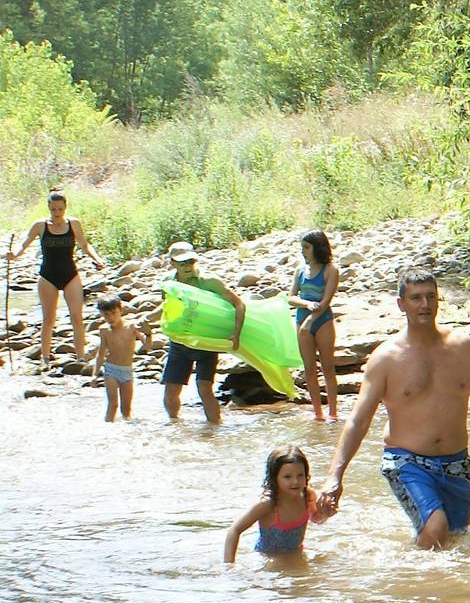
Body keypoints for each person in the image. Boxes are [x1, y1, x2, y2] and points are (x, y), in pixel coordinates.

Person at [312, 267, 470, 549]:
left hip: (457, 463)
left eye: (431, 296)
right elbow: (358, 420)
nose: (425, 305)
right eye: (416, 298)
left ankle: (435, 584)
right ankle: (421, 589)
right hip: (407, 461)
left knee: (456, 537)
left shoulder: (462, 347)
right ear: (401, 304)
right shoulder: (385, 358)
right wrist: (335, 476)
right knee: (436, 526)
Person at [10, 190, 104, 367]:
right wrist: (14, 255)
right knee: (49, 319)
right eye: (53, 209)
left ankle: (81, 358)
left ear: (65, 208)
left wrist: (97, 259)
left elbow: (84, 245)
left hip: (70, 274)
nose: (57, 213)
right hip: (47, 276)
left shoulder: (74, 224)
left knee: (77, 316)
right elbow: (24, 243)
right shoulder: (40, 225)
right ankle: (45, 359)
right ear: (49, 208)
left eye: (60, 209)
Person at [161, 241, 246, 425]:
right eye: (182, 263)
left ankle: (215, 430)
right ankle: (175, 427)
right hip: (180, 342)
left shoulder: (208, 282)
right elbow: (169, 309)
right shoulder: (169, 284)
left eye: (191, 261)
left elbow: (239, 304)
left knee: (204, 388)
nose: (187, 266)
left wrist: (236, 334)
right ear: (173, 263)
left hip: (206, 343)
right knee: (170, 393)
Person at [225, 445, 316, 562]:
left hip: (296, 554)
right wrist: (229, 566)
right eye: (287, 477)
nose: (295, 481)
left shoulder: (307, 495)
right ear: (275, 478)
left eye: (300, 475)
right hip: (269, 560)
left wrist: (327, 511)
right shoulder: (267, 505)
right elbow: (235, 530)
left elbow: (316, 518)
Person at [289, 229, 343, 423]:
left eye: (306, 248)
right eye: (302, 248)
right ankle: (318, 413)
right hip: (302, 317)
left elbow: (326, 300)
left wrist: (311, 320)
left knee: (328, 367)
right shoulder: (300, 270)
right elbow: (291, 297)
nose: (303, 252)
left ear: (317, 248)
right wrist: (306, 305)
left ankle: (333, 413)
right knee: (309, 368)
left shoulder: (331, 270)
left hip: (323, 320)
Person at [91, 296, 150, 421]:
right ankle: (107, 429)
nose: (110, 318)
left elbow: (146, 347)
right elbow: (101, 354)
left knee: (126, 409)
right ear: (101, 314)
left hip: (127, 371)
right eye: (106, 314)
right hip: (111, 370)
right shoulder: (104, 331)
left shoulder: (131, 328)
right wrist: (95, 374)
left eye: (113, 313)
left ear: (121, 311)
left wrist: (149, 334)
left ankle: (126, 434)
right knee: (113, 404)